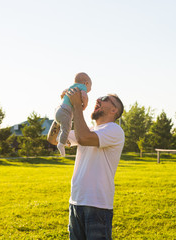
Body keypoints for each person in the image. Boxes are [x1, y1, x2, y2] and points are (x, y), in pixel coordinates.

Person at [47, 87, 125, 240]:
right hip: (76, 202)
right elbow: (53, 139)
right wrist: (65, 109)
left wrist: (77, 106)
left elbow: (83, 138)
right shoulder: (88, 130)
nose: (98, 99)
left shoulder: (114, 130)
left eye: (105, 98)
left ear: (114, 110)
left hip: (98, 206)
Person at [54, 72, 92, 156]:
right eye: (90, 87)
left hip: (59, 110)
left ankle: (59, 138)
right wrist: (85, 105)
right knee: (67, 127)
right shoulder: (82, 87)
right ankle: (61, 144)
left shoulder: (71, 87)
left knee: (64, 127)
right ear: (86, 83)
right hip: (65, 111)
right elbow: (84, 96)